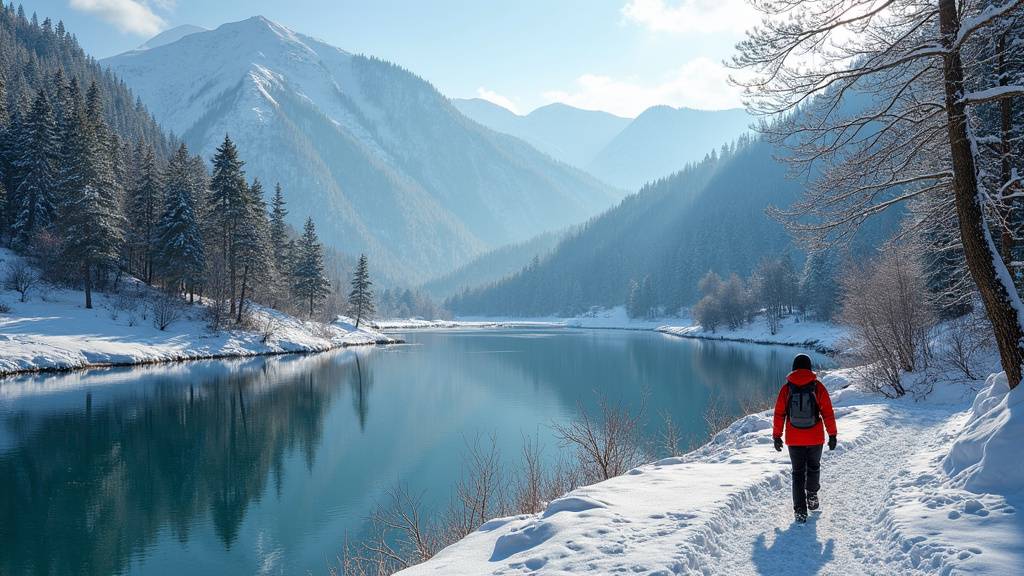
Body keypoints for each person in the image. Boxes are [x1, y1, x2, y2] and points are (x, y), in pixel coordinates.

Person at [772, 353, 837, 523]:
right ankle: (812, 496)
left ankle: (800, 510)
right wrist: (832, 434)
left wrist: (776, 436)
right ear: (809, 368)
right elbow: (828, 412)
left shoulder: (786, 389)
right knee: (814, 467)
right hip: (815, 437)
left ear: (793, 368)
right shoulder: (818, 387)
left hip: (794, 438)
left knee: (798, 473)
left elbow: (779, 414)